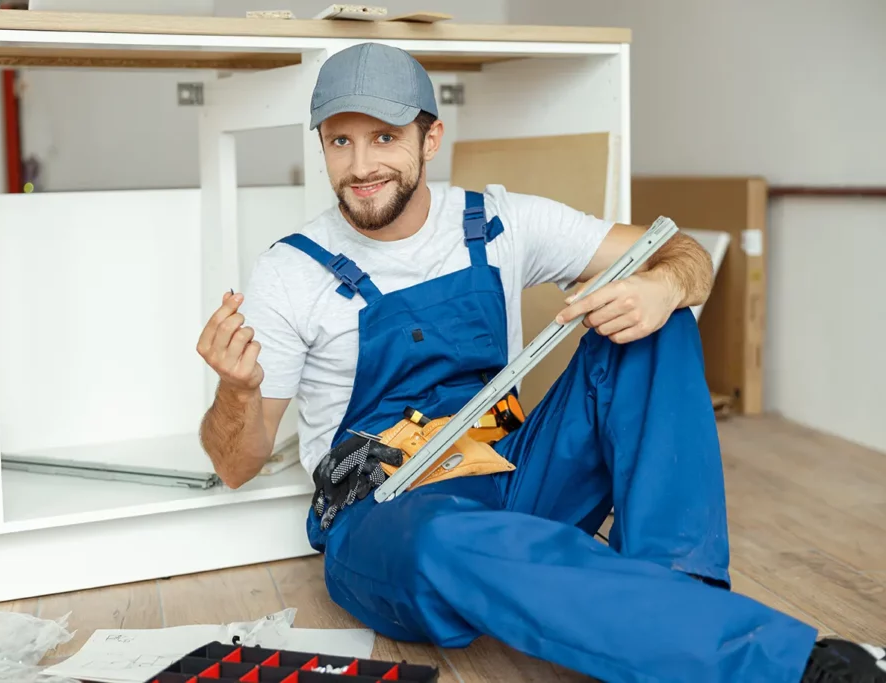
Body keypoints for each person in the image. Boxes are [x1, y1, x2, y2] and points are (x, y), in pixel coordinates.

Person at [196, 42, 886, 683]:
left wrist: (661, 284)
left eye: (383, 137)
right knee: (444, 541)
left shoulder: (498, 221)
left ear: (430, 138)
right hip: (391, 515)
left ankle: (680, 609)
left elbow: (683, 253)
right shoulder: (291, 271)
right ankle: (791, 665)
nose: (360, 165)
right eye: (339, 141)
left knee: (654, 318)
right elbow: (236, 464)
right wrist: (235, 389)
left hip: (512, 469)